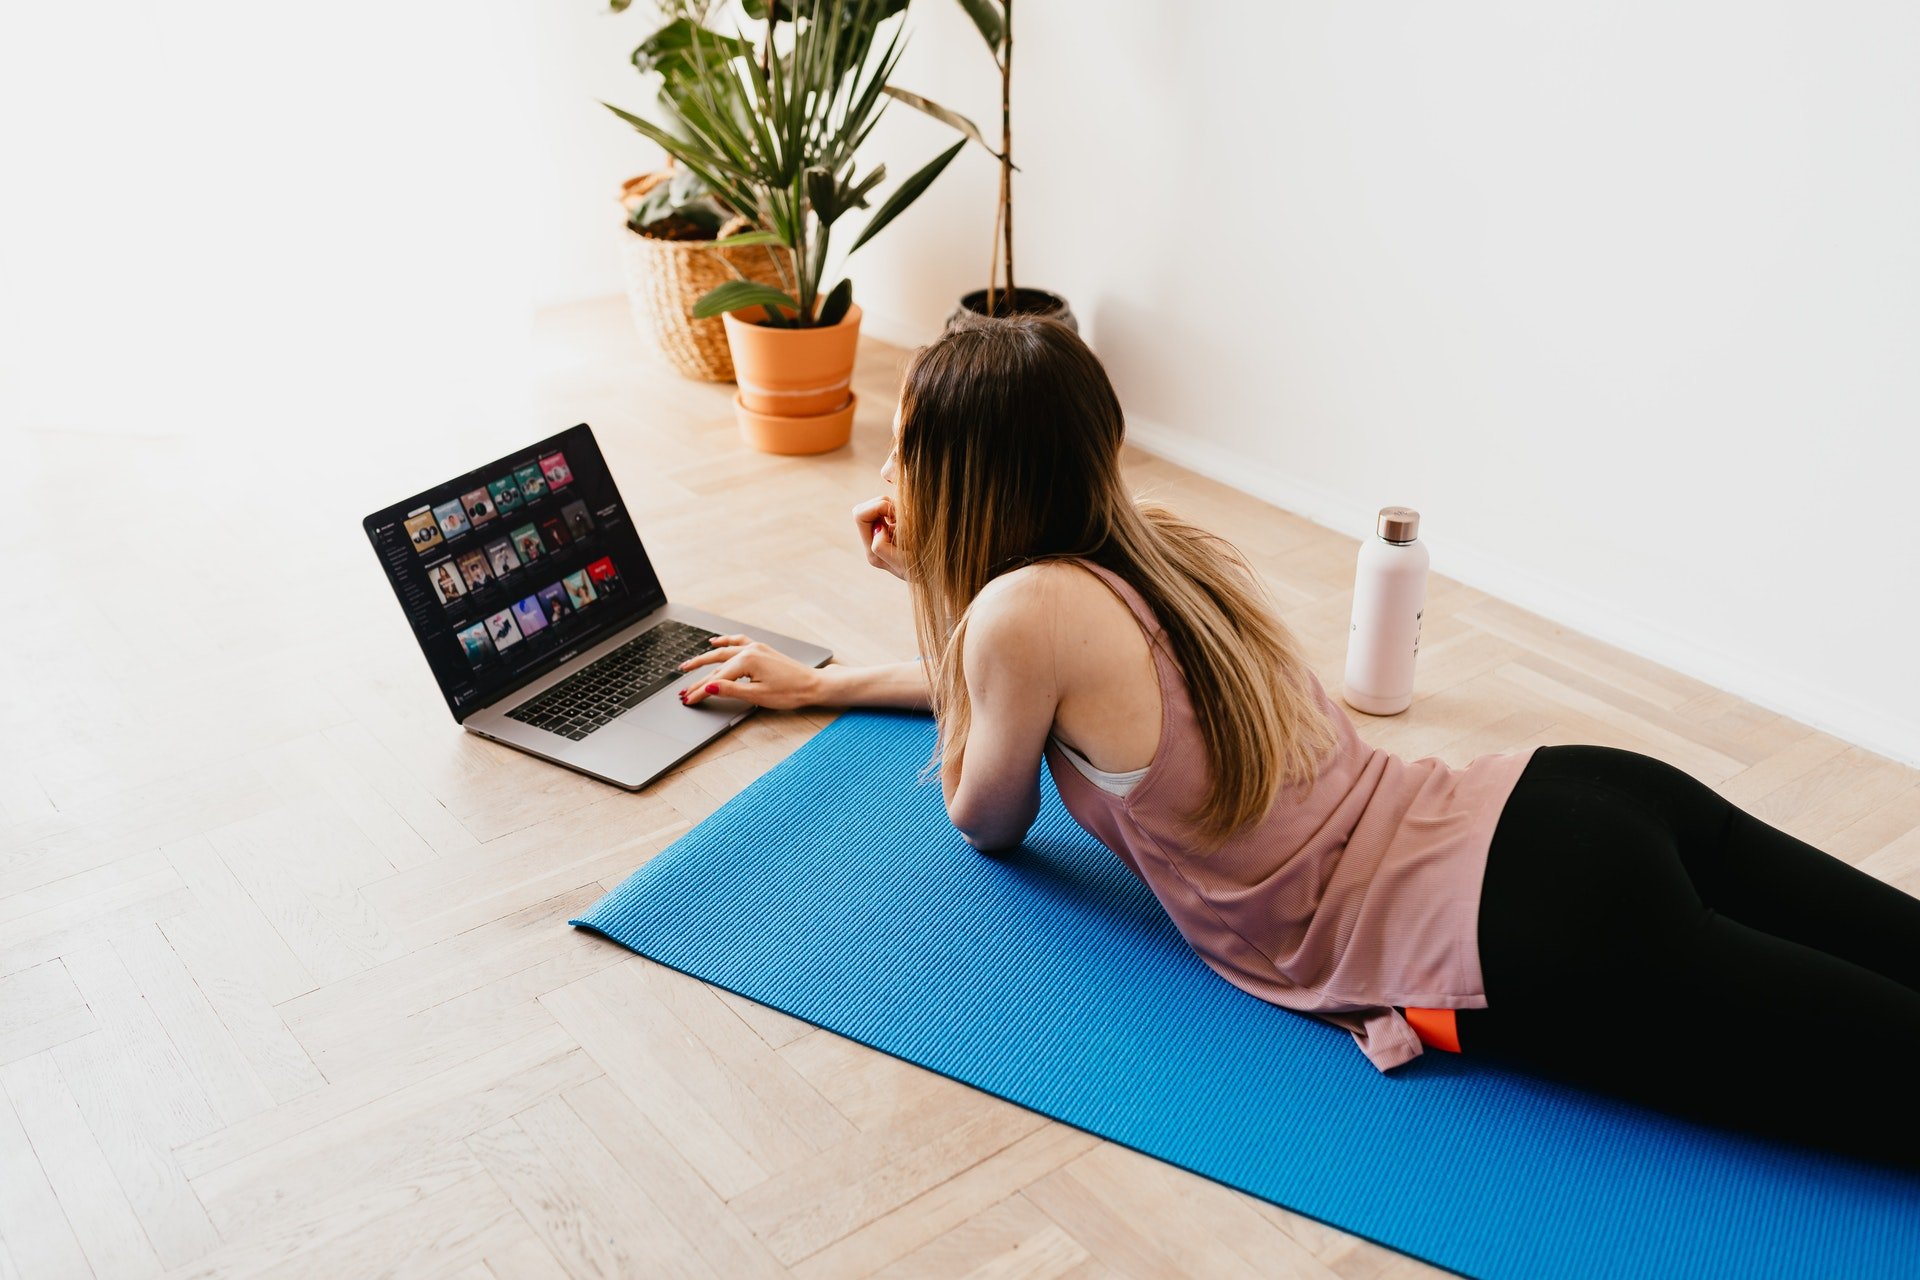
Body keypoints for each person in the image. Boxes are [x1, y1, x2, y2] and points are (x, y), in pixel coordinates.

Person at [671, 313, 1920, 1172]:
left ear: (963, 479)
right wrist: (823, 687)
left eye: (904, 453)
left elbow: (983, 815)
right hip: (1580, 800)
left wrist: (927, 590)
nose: (888, 471)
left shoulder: (1011, 612)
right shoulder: (1154, 545)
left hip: (1523, 933)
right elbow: (1016, 697)